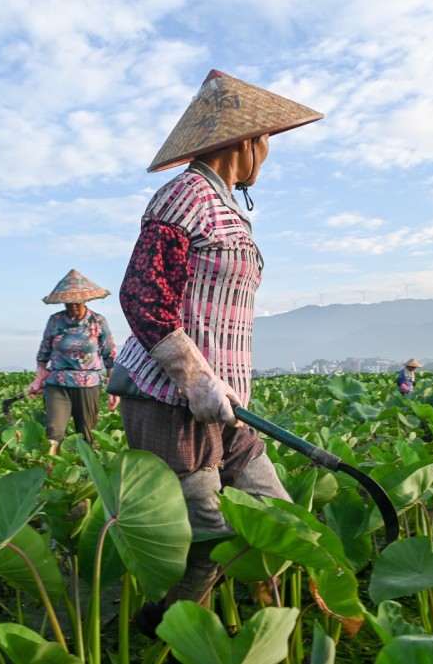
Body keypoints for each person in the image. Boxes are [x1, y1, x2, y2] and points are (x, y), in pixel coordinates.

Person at [109, 70, 324, 618]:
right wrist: (193, 377)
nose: (268, 154)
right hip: (169, 399)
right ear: (245, 143)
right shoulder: (183, 195)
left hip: (228, 403)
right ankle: (162, 634)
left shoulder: (226, 205)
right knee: (207, 541)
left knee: (276, 517)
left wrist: (218, 386)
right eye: (267, 142)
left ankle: (267, 610)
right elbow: (142, 296)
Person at [28, 270, 119, 456]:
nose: (73, 307)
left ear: (85, 301)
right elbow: (44, 351)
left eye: (76, 303)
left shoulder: (98, 321)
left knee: (86, 433)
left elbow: (109, 353)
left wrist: (113, 384)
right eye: (68, 303)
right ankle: (50, 472)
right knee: (54, 430)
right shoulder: (56, 321)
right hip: (57, 382)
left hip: (88, 383)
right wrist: (39, 378)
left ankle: (85, 474)